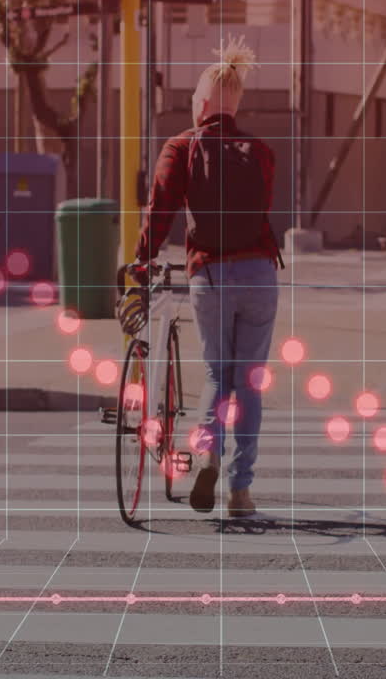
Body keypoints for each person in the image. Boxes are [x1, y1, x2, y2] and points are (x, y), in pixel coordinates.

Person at [134, 35, 281, 518]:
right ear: (235, 104)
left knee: (218, 373)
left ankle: (207, 453)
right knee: (249, 381)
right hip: (259, 273)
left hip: (210, 274)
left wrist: (140, 261)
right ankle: (241, 492)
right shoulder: (260, 151)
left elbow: (160, 212)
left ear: (201, 103)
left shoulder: (182, 146)